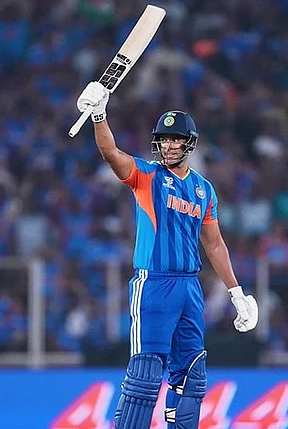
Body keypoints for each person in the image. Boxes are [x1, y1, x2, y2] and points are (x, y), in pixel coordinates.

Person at [76, 81, 259, 429]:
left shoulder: (204, 189)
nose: (170, 144)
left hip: (189, 288)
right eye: (164, 139)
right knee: (146, 374)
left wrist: (238, 293)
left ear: (189, 143)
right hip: (154, 284)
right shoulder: (147, 175)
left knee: (192, 376)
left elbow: (215, 243)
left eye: (176, 139)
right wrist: (99, 116)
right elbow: (111, 154)